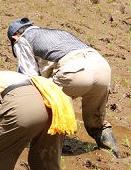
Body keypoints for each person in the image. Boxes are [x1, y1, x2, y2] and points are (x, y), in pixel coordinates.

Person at [7, 18, 120, 158]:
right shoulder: (57, 32)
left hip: (75, 72)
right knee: (96, 121)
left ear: (14, 37)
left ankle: (50, 151)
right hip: (102, 68)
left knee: (43, 100)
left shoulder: (22, 40)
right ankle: (115, 154)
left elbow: (30, 76)